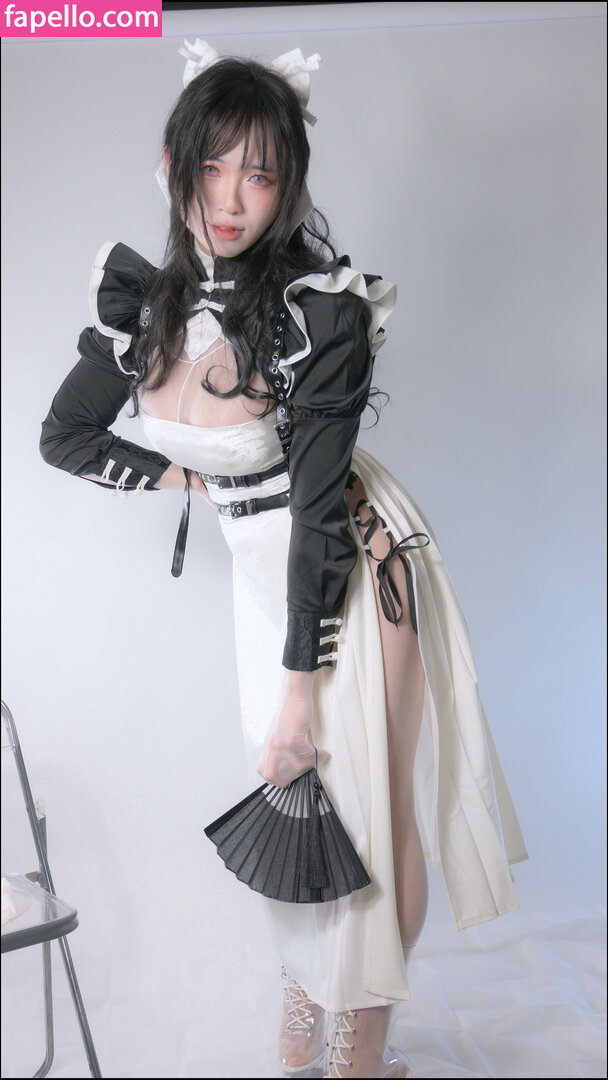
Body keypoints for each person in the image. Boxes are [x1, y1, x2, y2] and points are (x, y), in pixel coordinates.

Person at [39, 39, 528, 1080]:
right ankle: (311, 989)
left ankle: (362, 1044)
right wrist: (188, 480)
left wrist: (297, 691)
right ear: (171, 163)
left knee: (368, 805)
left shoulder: (318, 312)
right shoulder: (145, 310)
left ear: (288, 185)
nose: (229, 199)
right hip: (265, 590)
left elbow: (314, 515)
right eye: (211, 166)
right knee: (305, 807)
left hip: (355, 563)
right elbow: (67, 437)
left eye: (258, 175)